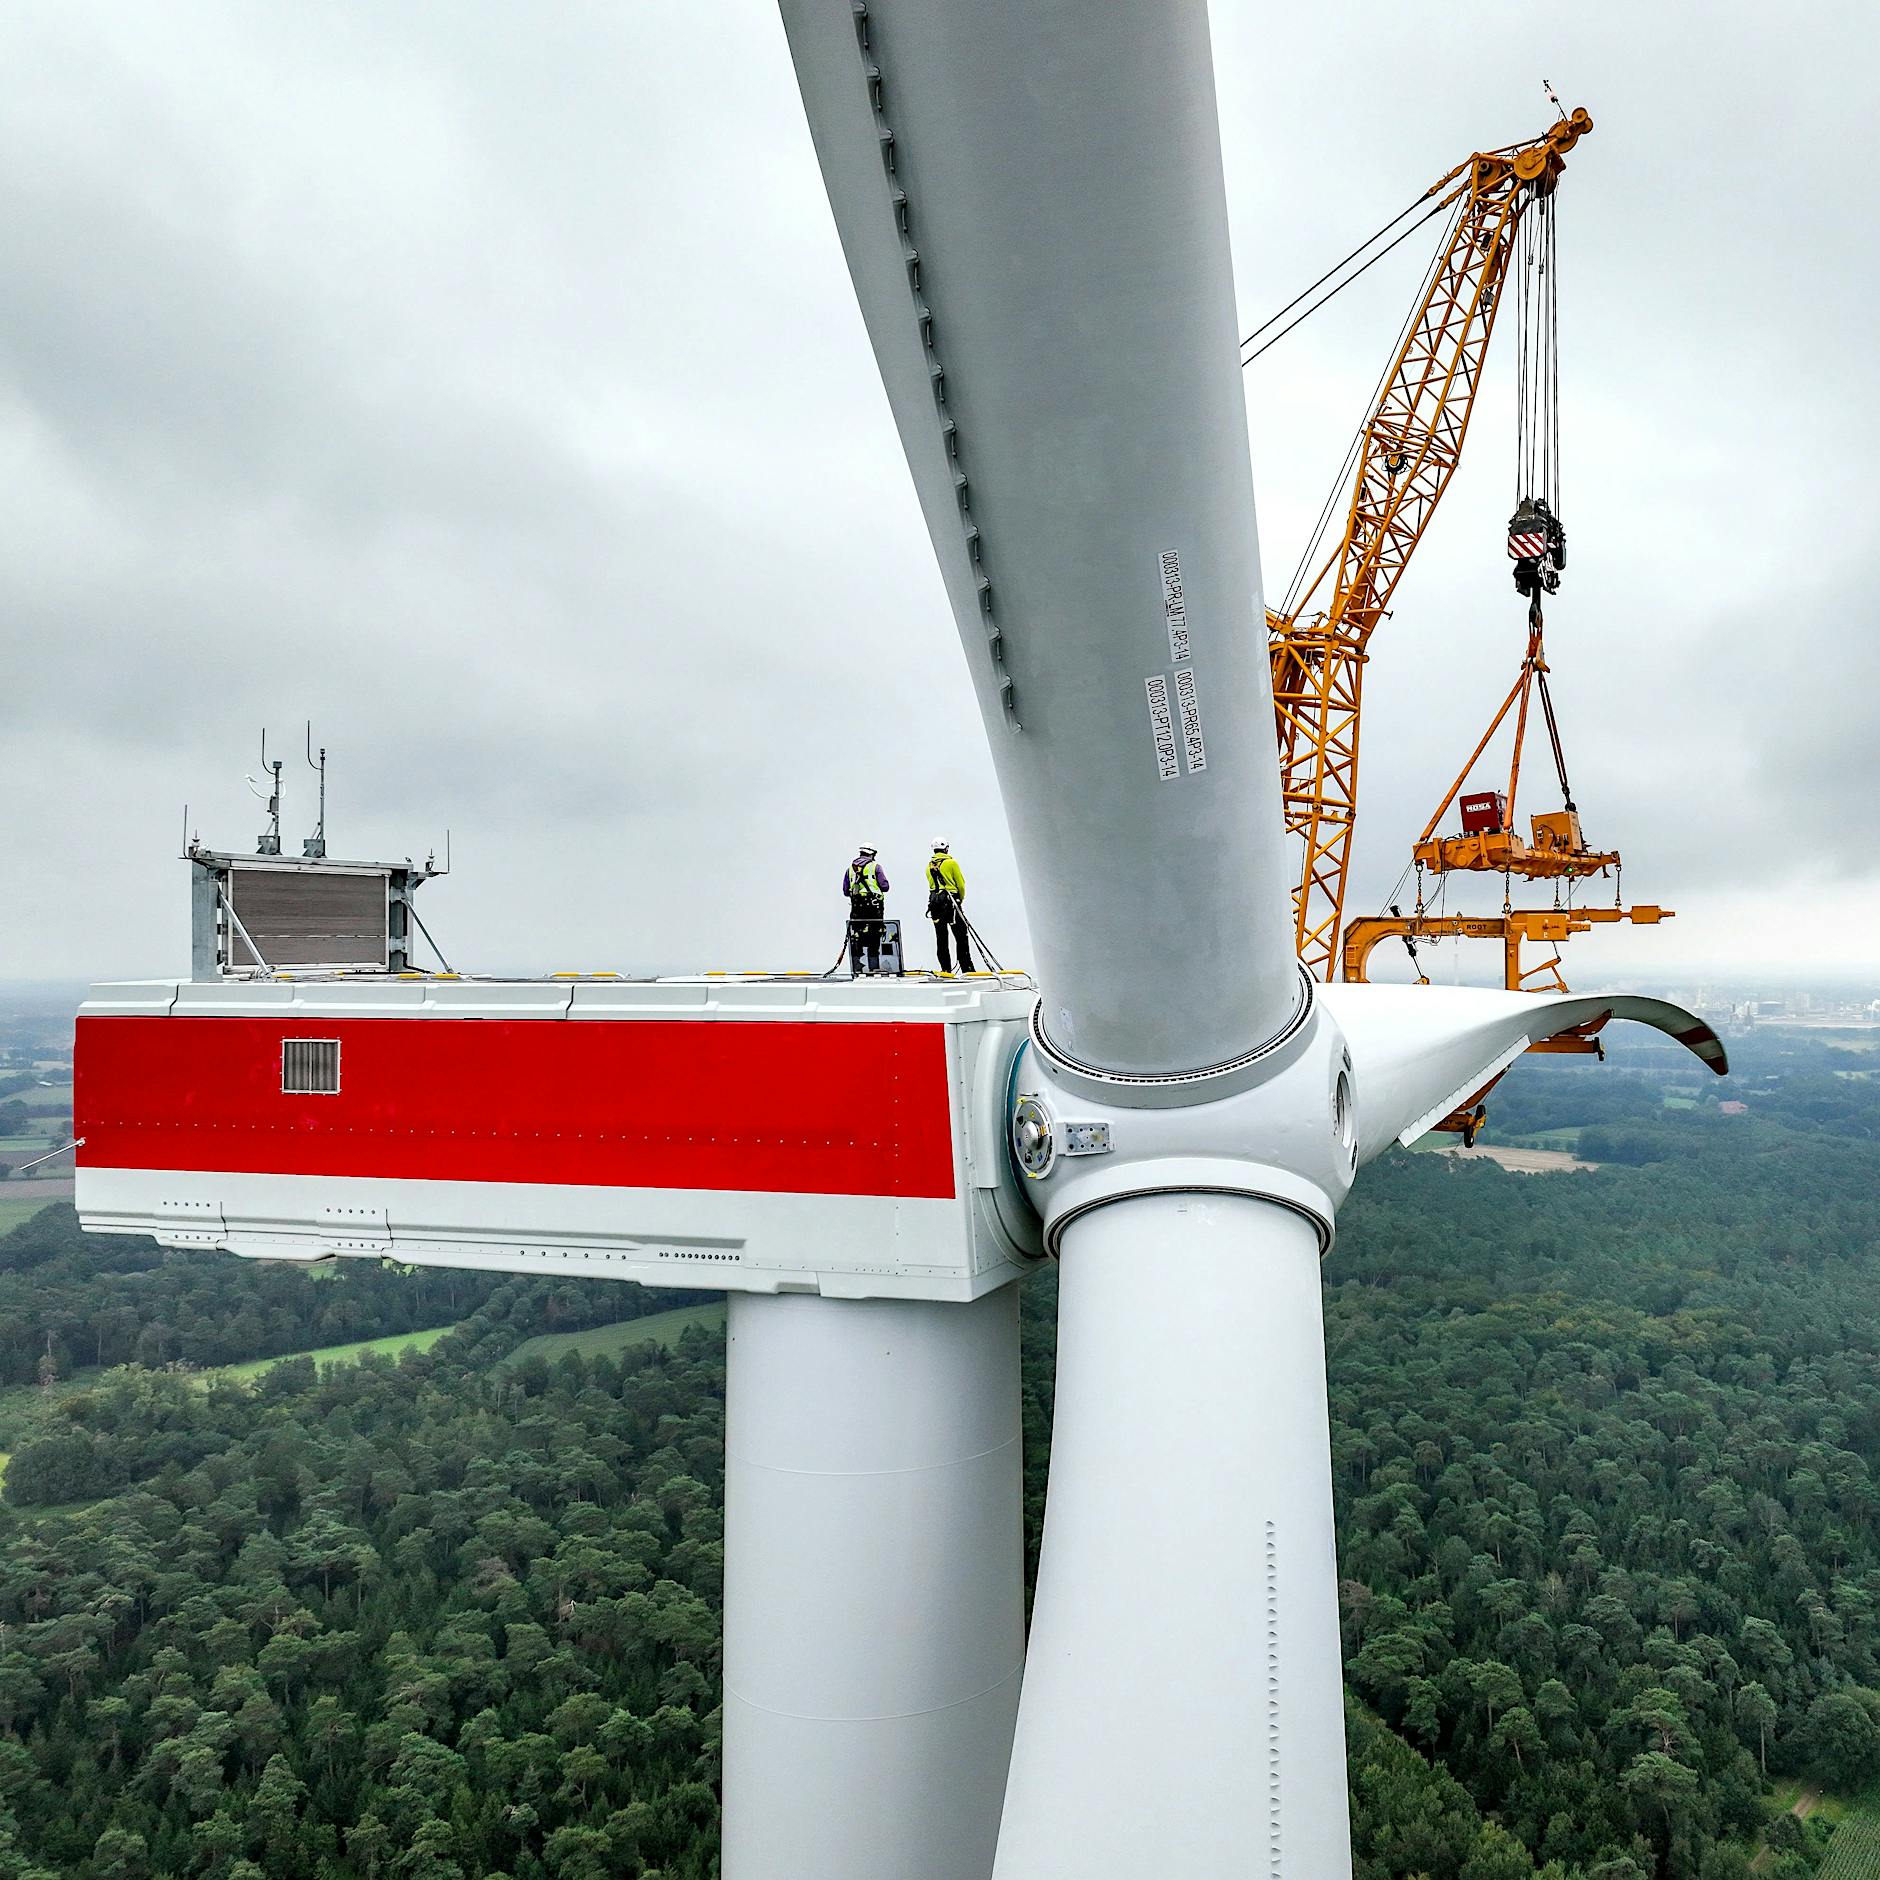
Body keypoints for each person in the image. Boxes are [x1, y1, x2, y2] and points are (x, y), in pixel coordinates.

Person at [926, 840, 976, 975]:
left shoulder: (929, 866)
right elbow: (960, 884)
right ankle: (967, 968)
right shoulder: (951, 863)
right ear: (946, 849)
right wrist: (960, 899)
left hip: (935, 903)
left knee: (941, 938)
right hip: (951, 902)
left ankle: (946, 969)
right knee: (961, 935)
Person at [844, 846, 890, 976]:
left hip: (857, 908)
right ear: (872, 854)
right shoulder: (876, 867)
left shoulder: (850, 870)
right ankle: (874, 968)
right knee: (874, 937)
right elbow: (885, 886)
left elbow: (845, 890)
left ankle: (857, 968)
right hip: (873, 908)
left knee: (857, 936)